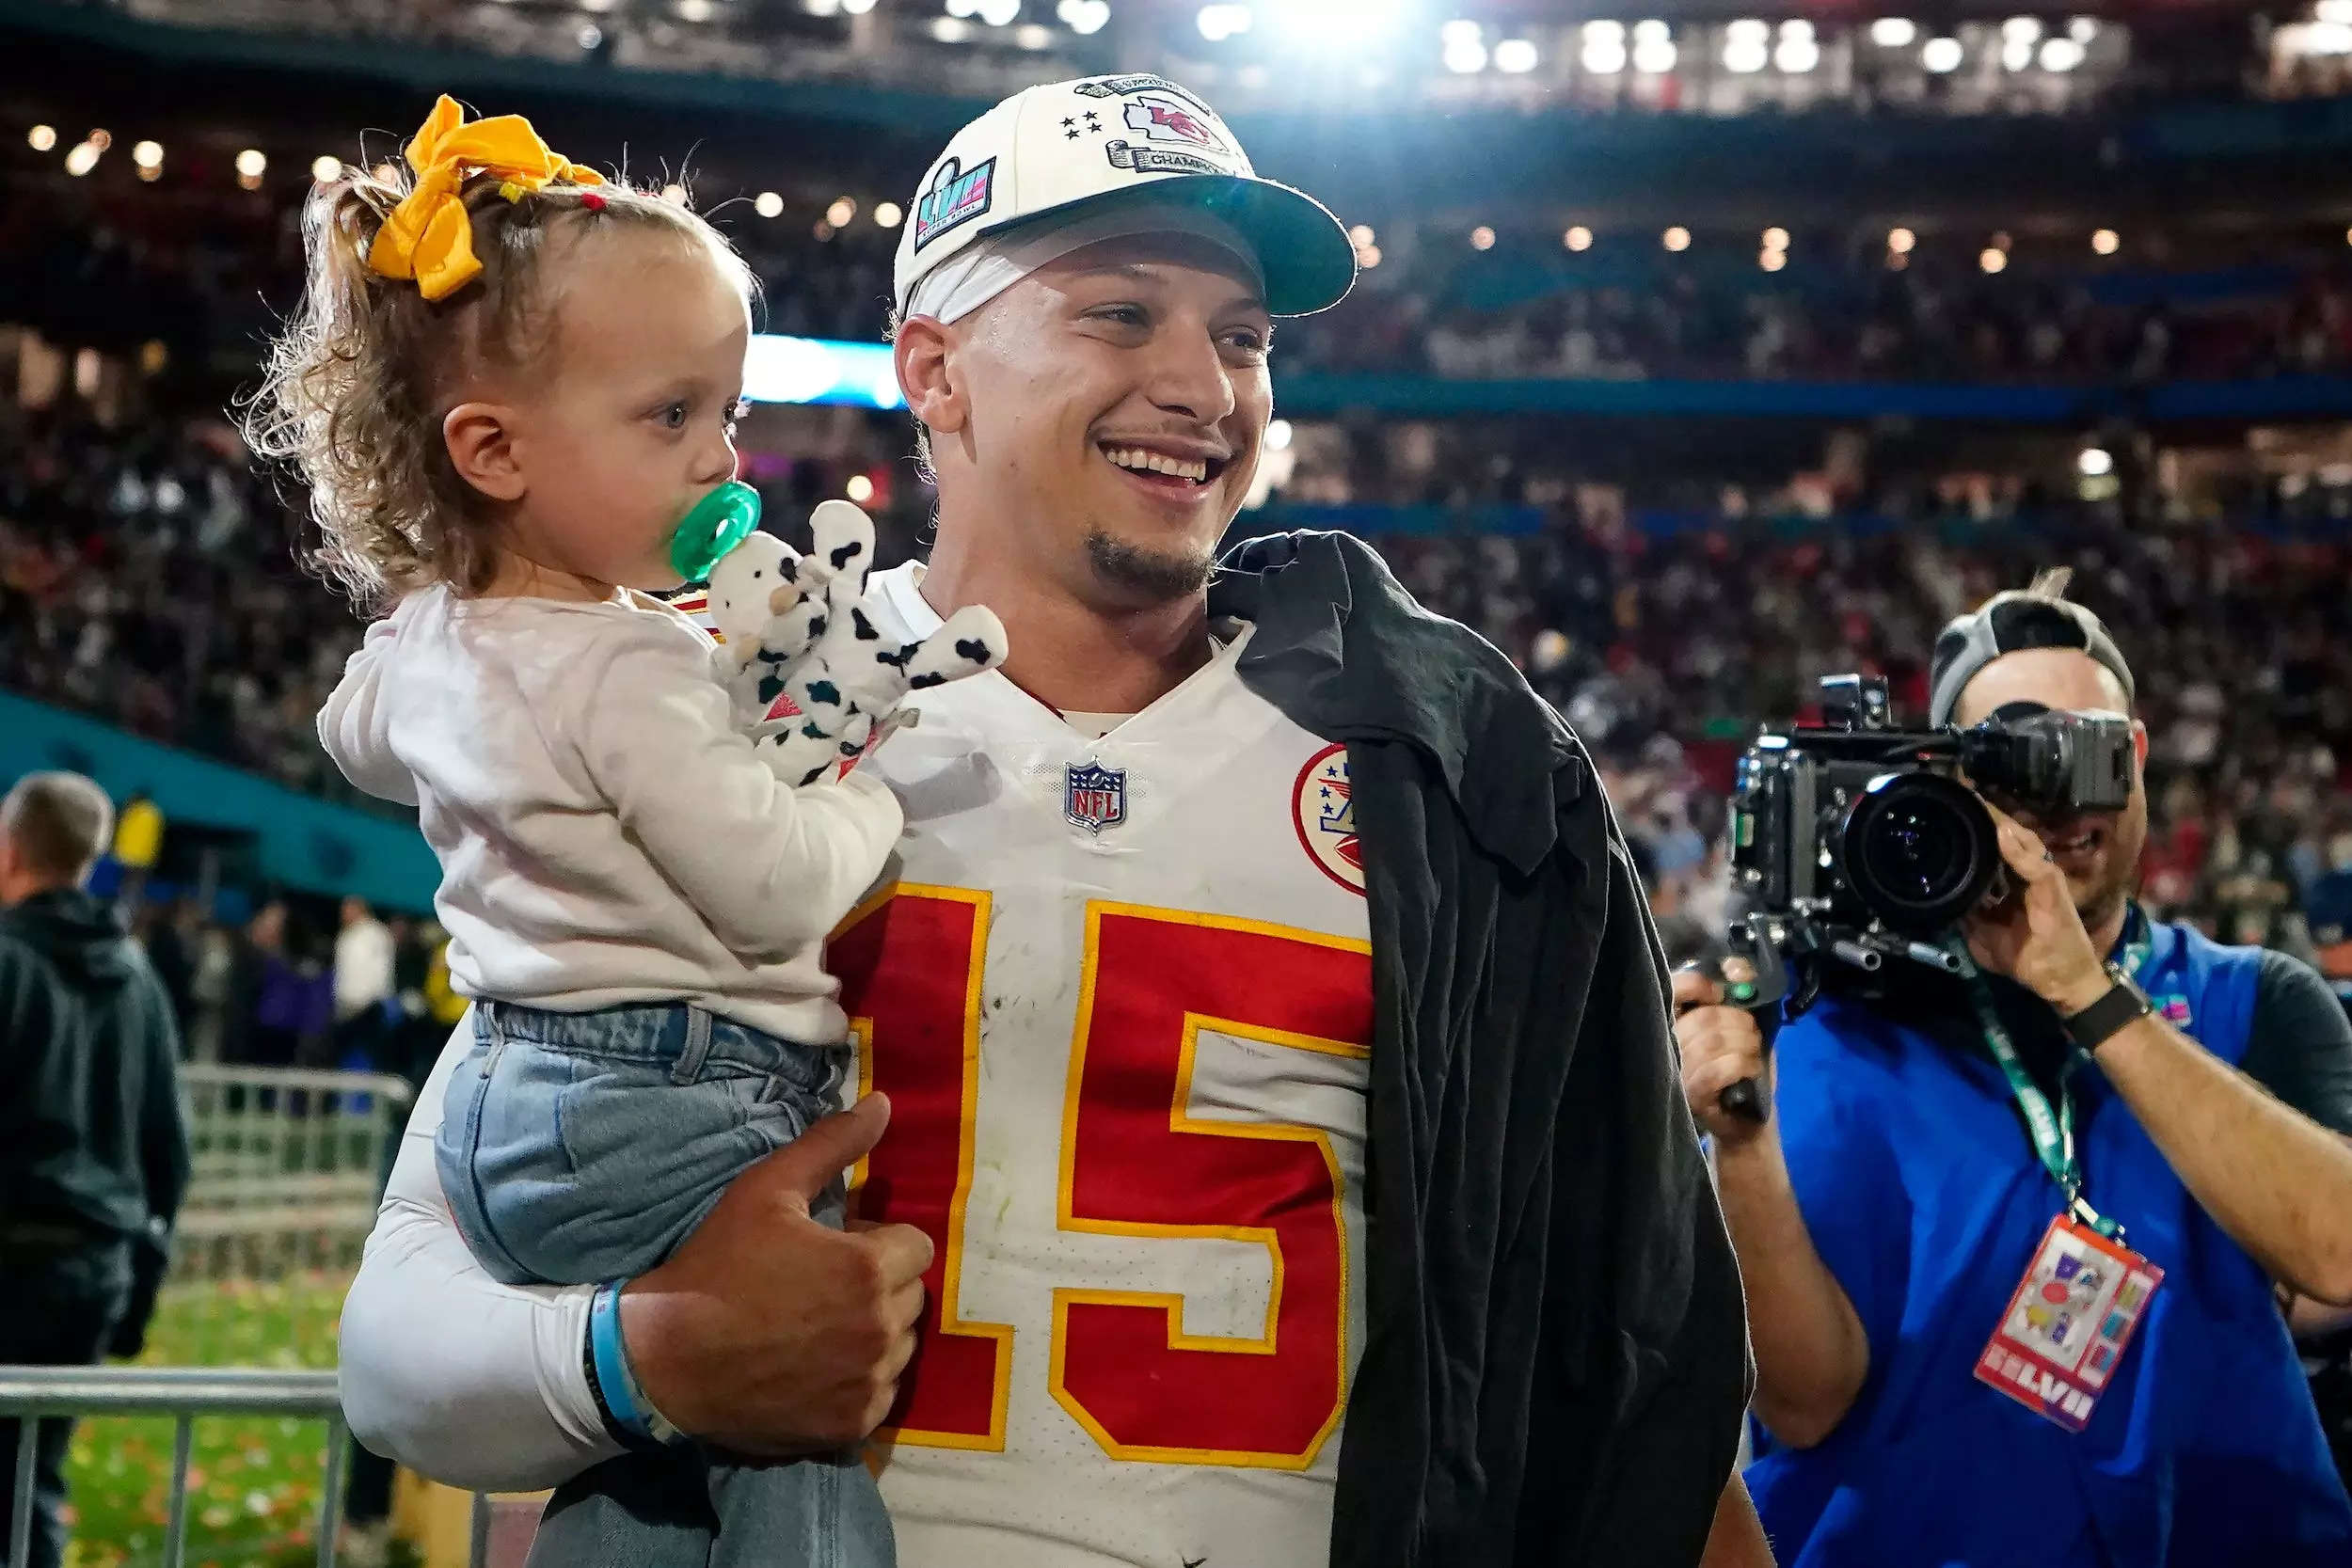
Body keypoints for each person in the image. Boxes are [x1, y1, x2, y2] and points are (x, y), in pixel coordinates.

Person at [334, 73, 1765, 1568]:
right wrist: (653, 1358)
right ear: (934, 366)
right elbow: (396, 1352)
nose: (1204, 387)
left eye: (1242, 337)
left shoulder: (1446, 776)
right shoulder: (707, 706)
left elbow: (1626, 1367)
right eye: (1120, 313)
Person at [266, 95, 1003, 1567]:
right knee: (794, 1428)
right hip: (676, 1095)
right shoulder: (629, 664)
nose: (719, 461)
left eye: (723, 414)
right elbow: (774, 882)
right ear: (493, 448)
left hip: (510, 1102)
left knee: (655, 1481)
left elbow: (355, 740)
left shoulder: (434, 640)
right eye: (672, 418)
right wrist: (863, 781)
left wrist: (479, 713)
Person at [1676, 570, 2352, 1566]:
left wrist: (2092, 998)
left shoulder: (2249, 999)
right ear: (1947, 778)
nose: (2062, 795)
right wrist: (1740, 1146)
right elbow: (1806, 1403)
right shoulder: (1822, 1032)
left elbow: (2337, 1255)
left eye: (2093, 750)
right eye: (2015, 758)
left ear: (2140, 756)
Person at [0, 771, 190, 1568]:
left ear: (11, 849)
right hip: (91, 1272)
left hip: (14, 1260)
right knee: (29, 1484)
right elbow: (167, 1153)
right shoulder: (138, 978)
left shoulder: (8, 960)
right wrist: (138, 1285)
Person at [331, 895, 396, 1069]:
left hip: (369, 1007)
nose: (344, 914)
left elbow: (380, 971)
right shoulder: (346, 936)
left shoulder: (375, 934)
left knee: (366, 1057)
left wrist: (375, 1000)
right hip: (347, 1008)